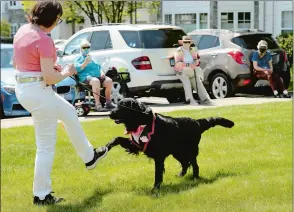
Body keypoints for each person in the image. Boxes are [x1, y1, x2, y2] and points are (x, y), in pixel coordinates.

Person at [13, 0, 108, 205]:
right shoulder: (44, 40)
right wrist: (67, 71)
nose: (58, 23)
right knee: (45, 146)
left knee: (69, 113)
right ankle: (41, 195)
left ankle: (89, 157)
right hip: (39, 91)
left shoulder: (22, 31)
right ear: (51, 19)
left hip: (26, 89)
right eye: (58, 19)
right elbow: (49, 79)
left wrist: (49, 66)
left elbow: (20, 63)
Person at [74, 40, 117, 111]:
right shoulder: (78, 58)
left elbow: (99, 67)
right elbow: (77, 69)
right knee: (96, 81)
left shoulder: (92, 57)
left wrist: (102, 72)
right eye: (84, 47)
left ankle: (108, 102)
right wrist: (85, 63)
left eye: (88, 47)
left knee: (109, 81)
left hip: (98, 76)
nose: (86, 49)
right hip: (86, 77)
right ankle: (98, 105)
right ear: (81, 49)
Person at [174, 36, 215, 105]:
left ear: (190, 43)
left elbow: (196, 60)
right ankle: (190, 100)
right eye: (185, 42)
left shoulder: (192, 50)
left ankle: (205, 99)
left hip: (192, 70)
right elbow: (178, 63)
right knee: (187, 84)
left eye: (188, 42)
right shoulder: (179, 51)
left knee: (198, 83)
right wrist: (188, 65)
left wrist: (196, 63)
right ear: (182, 43)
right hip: (182, 71)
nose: (187, 43)